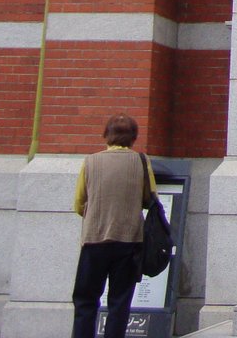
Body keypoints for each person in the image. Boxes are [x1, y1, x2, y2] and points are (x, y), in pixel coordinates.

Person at [71, 113, 158, 338]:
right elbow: (150, 198)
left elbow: (79, 203)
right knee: (120, 302)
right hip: (129, 240)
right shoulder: (141, 161)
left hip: (94, 240)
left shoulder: (90, 161)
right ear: (133, 137)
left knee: (85, 300)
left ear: (106, 135)